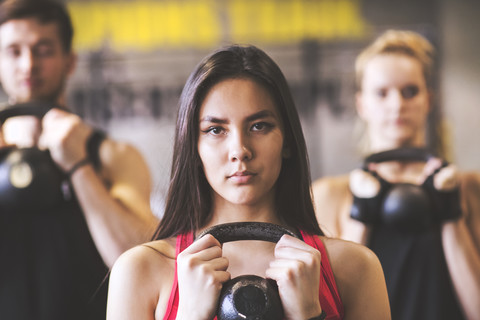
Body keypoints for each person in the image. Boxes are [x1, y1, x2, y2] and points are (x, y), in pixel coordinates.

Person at [106, 44, 390, 320]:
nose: (240, 149)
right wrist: (190, 315)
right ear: (194, 147)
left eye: (259, 126)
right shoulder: (139, 271)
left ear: (287, 140)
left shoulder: (355, 269)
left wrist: (307, 315)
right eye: (216, 129)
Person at [0, 0, 158, 319]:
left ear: (70, 61)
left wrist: (78, 166)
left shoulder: (113, 156)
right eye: (14, 51)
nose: (28, 64)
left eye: (43, 50)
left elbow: (141, 265)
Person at [312, 30, 480, 320]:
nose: (397, 104)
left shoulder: (469, 188)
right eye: (382, 93)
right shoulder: (330, 194)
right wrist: (361, 214)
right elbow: (325, 309)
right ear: (361, 103)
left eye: (410, 91)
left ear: (428, 100)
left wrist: (451, 215)